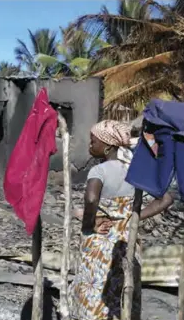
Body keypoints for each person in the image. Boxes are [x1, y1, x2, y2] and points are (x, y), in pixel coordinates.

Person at [69, 120, 174, 320]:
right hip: (128, 239)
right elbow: (167, 198)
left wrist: (89, 224)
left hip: (101, 243)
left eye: (93, 141)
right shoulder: (135, 171)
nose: (90, 145)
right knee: (124, 291)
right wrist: (133, 216)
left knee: (96, 292)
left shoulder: (99, 171)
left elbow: (91, 198)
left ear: (108, 145)